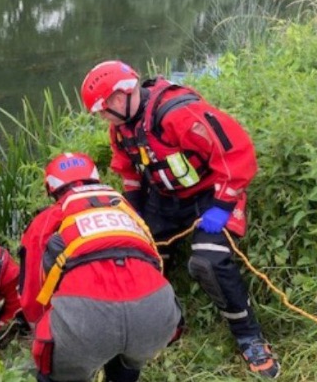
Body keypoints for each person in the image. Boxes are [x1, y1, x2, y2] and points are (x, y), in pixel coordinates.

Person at [80, 60, 280, 378]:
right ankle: (169, 322)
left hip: (211, 194)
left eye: (104, 109)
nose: (103, 117)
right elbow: (129, 172)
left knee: (208, 262)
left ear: (121, 96)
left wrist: (222, 205)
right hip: (166, 198)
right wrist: (136, 218)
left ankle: (249, 336)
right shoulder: (121, 130)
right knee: (140, 257)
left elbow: (237, 155)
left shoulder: (177, 113)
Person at [19, 152, 182, 382]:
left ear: (52, 188)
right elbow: (153, 259)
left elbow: (32, 290)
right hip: (156, 310)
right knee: (130, 359)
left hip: (86, 319)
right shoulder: (126, 210)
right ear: (96, 179)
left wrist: (43, 332)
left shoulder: (49, 218)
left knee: (57, 372)